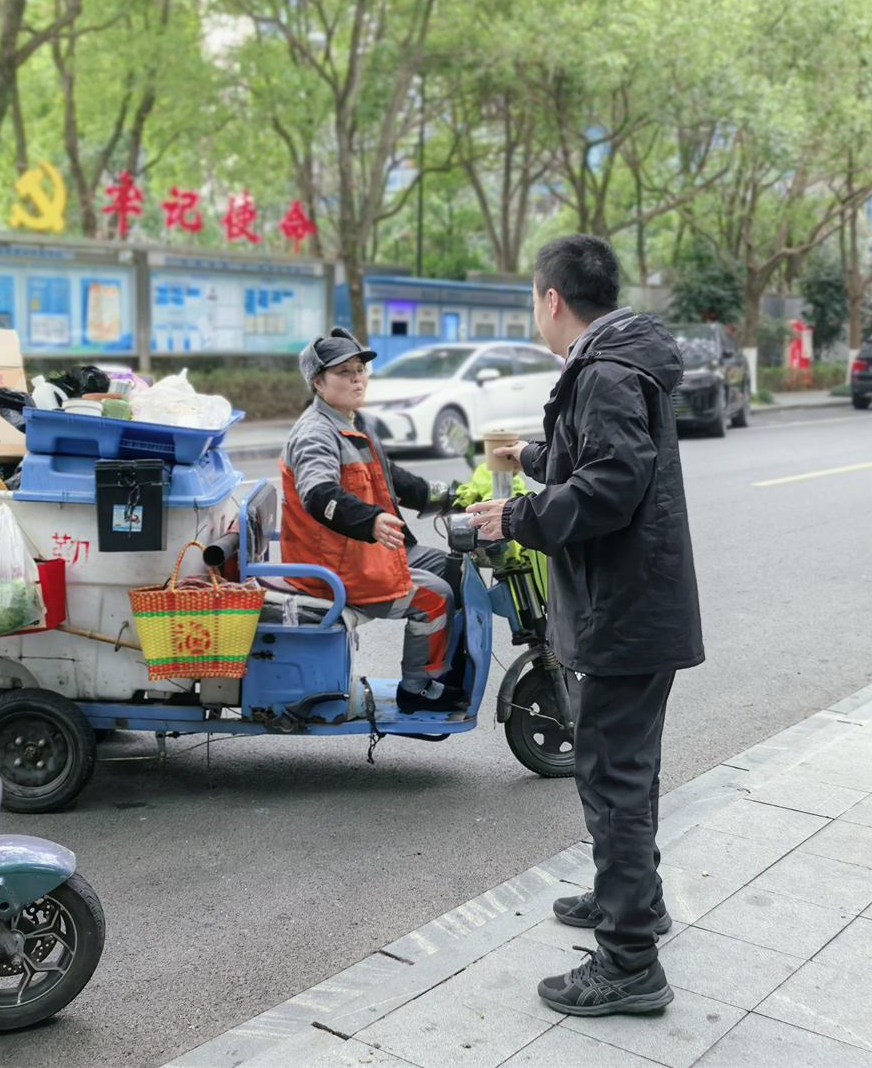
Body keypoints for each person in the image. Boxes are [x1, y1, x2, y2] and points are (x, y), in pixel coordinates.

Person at [467, 235, 702, 1015]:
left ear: (551, 299)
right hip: (633, 605)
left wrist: (515, 515)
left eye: (534, 300)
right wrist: (529, 456)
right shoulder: (617, 360)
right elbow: (590, 456)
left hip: (623, 612)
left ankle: (630, 961)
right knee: (624, 772)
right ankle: (631, 903)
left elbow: (610, 484)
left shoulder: (602, 370)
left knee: (613, 777)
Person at [281, 327, 464, 713]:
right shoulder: (316, 433)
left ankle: (444, 671)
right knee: (435, 597)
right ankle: (416, 688)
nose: (357, 378)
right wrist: (371, 520)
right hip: (336, 564)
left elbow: (393, 479)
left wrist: (455, 499)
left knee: (456, 572)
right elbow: (318, 495)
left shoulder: (355, 423)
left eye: (360, 369)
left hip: (368, 549)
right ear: (317, 382)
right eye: (343, 372)